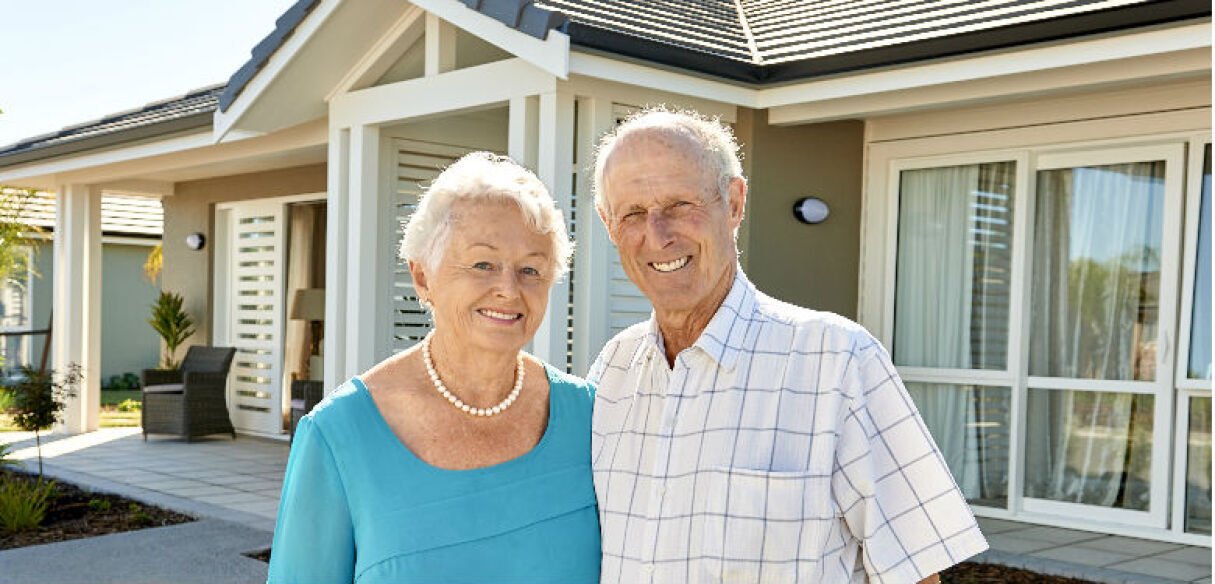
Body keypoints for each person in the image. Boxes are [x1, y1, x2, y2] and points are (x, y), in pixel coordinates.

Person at [588, 109, 988, 583]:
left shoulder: (838, 361)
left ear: (734, 203)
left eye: (679, 205)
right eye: (633, 213)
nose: (657, 235)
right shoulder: (611, 373)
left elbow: (915, 575)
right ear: (608, 224)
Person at [268, 152, 600, 583]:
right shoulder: (339, 433)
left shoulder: (590, 416)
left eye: (531, 269)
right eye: (483, 264)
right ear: (422, 277)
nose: (508, 288)